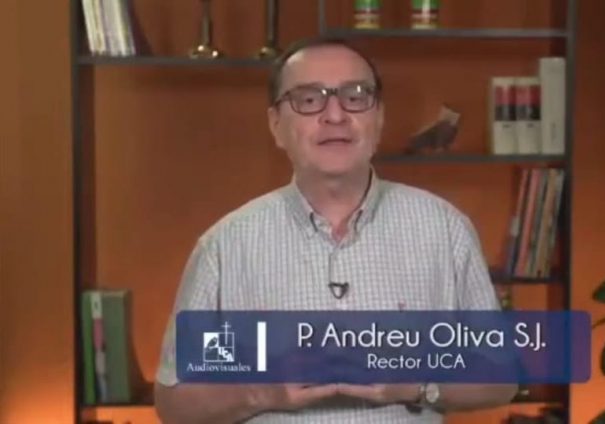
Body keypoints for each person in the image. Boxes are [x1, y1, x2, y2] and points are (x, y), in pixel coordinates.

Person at [154, 36, 519, 424]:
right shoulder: (226, 246)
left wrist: (415, 384)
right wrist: (264, 393)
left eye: (355, 96)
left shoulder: (444, 229)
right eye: (309, 99)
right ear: (276, 125)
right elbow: (175, 404)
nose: (335, 115)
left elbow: (501, 378)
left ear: (379, 118)